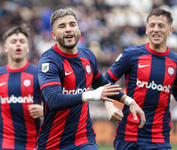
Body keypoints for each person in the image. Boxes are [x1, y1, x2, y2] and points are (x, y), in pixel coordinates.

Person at [37, 8, 145, 150]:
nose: (68, 29)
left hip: (84, 138)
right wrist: (93, 95)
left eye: (72, 24)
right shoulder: (49, 61)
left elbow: (103, 84)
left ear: (79, 30)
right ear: (53, 35)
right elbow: (53, 101)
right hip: (53, 142)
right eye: (62, 26)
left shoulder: (88, 56)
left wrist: (129, 101)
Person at [104, 8, 177, 150]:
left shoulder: (175, 62)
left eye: (161, 26)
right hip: (128, 135)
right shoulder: (131, 54)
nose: (156, 29)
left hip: (159, 138)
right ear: (146, 29)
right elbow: (103, 82)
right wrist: (109, 106)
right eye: (152, 25)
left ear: (170, 30)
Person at [0, 25, 43, 150]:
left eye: (22, 42)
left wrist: (45, 110)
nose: (18, 44)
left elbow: (54, 101)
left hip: (33, 142)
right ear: (5, 48)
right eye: (13, 42)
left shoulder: (39, 74)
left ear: (28, 48)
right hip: (5, 141)